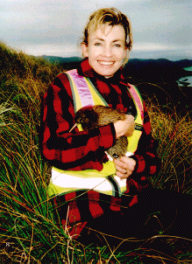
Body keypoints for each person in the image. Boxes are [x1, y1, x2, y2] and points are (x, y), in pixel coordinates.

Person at [41, 7, 192, 249]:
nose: (107, 54)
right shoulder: (64, 87)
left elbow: (153, 157)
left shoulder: (134, 95)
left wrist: (136, 165)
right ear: (85, 47)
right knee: (155, 248)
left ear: (127, 50)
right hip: (85, 210)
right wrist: (114, 132)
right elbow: (53, 150)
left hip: (133, 199)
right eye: (99, 44)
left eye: (117, 45)